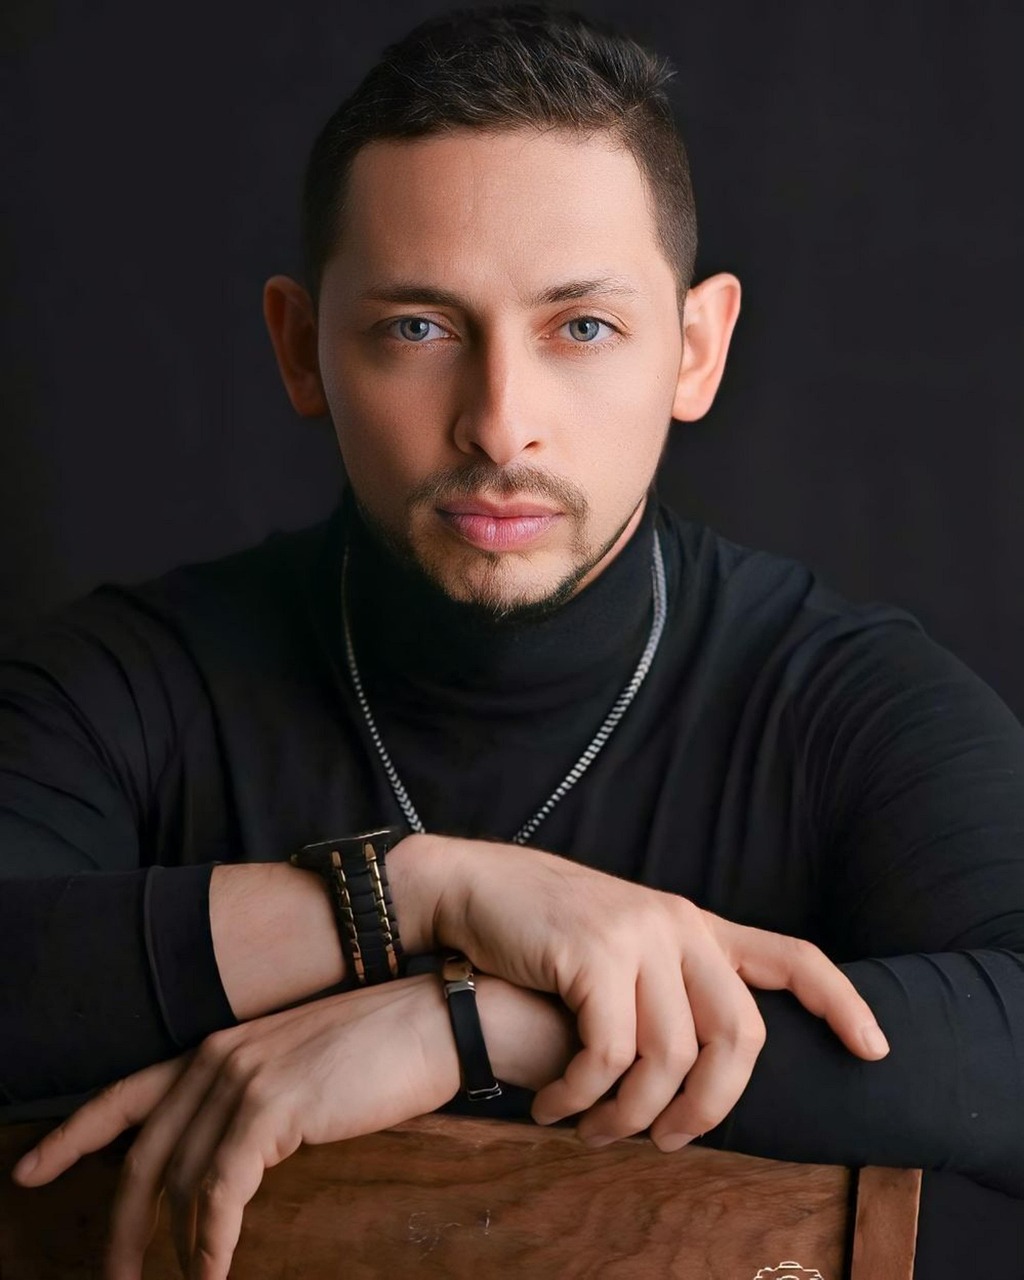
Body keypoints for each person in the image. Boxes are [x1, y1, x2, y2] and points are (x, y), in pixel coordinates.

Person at [3, 4, 1023, 1277]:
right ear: (300, 348)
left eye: (580, 326)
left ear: (695, 350)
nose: (498, 424)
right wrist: (410, 894)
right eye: (417, 327)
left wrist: (482, 1024)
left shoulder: (841, 698)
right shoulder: (133, 678)